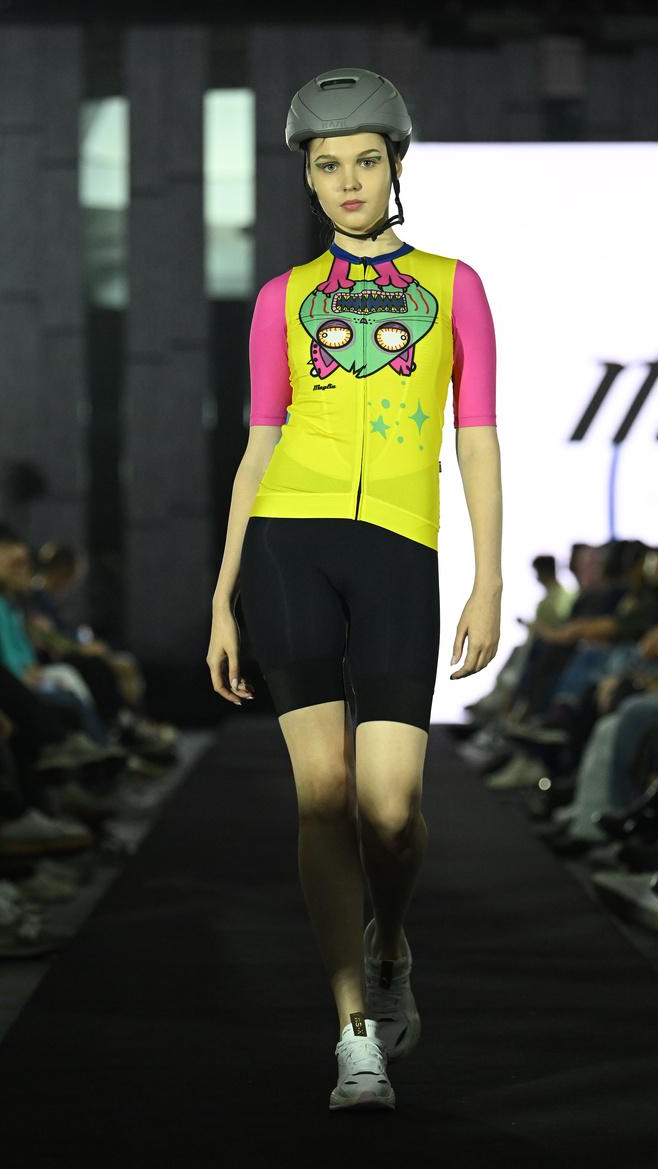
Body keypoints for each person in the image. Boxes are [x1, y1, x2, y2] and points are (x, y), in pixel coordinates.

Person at [206, 67, 502, 1112]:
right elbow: (258, 447)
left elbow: (476, 438)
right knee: (323, 793)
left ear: (396, 164)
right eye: (327, 164)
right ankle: (352, 1035)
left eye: (365, 160)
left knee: (391, 808)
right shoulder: (282, 299)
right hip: (288, 542)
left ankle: (389, 943)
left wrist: (488, 577)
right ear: (308, 177)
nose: (347, 181)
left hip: (398, 549)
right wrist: (222, 593)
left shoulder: (456, 285)